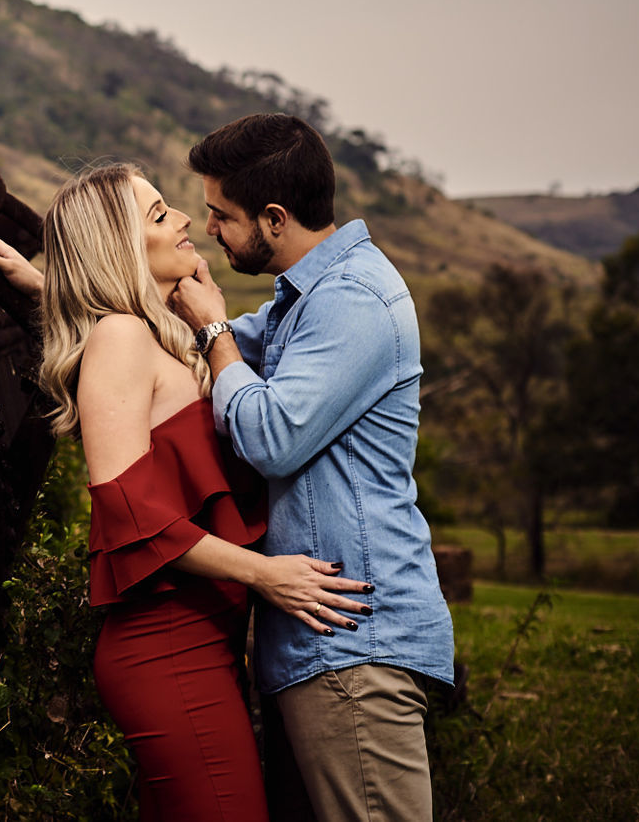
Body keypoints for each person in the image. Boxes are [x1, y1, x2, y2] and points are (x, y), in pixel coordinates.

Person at [0, 162, 371, 822]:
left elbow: (115, 337)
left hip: (202, 643)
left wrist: (43, 284)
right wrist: (266, 575)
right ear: (120, 249)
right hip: (166, 645)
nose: (186, 219)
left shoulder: (159, 337)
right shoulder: (122, 338)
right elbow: (128, 505)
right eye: (159, 215)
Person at [165, 113, 454, 821]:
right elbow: (190, 345)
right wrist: (50, 288)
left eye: (220, 215)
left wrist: (211, 331)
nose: (208, 231)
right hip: (322, 645)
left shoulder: (352, 299)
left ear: (273, 217)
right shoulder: (305, 300)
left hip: (355, 641)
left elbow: (268, 434)